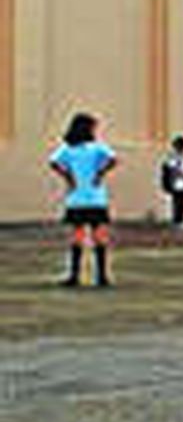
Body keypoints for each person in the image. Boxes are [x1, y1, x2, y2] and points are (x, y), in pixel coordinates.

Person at [48, 112, 117, 289]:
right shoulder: (96, 147)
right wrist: (100, 173)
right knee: (99, 235)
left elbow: (53, 162)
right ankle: (102, 276)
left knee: (77, 235)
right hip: (96, 197)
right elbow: (113, 159)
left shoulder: (68, 149)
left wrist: (68, 176)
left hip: (76, 197)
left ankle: (74, 276)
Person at [160, 135, 183, 228]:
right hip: (176, 182)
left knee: (182, 202)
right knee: (177, 202)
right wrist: (182, 174)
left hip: (182, 183)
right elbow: (171, 169)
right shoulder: (173, 157)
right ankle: (177, 221)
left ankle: (180, 220)